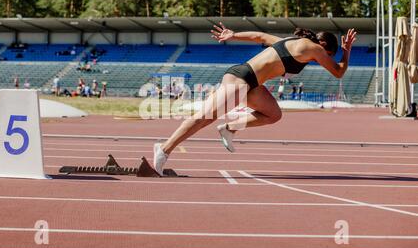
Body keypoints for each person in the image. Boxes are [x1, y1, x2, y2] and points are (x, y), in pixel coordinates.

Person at [152, 22, 357, 174]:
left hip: (252, 84)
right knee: (204, 117)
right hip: (242, 78)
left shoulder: (290, 42)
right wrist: (346, 53)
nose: (322, 60)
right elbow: (338, 72)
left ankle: (230, 128)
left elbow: (260, 36)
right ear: (323, 45)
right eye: (327, 55)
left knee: (273, 114)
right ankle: (163, 149)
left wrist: (234, 35)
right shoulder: (315, 48)